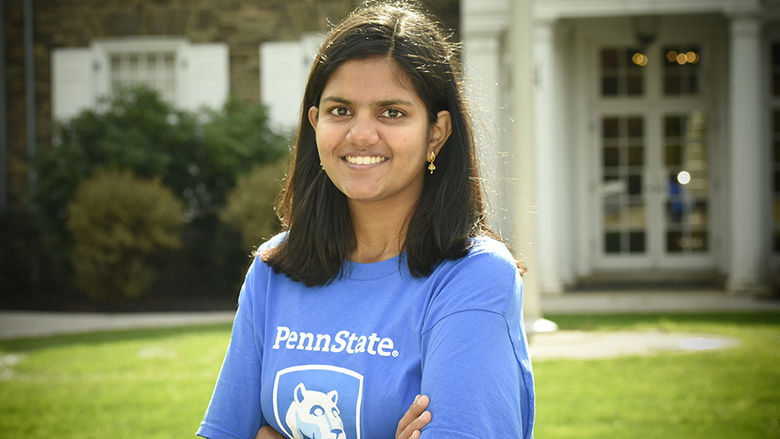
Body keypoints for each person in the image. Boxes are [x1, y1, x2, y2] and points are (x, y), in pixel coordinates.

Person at [197, 1, 535, 438]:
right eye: (340, 110)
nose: (360, 134)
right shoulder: (273, 269)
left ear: (437, 131)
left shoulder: (474, 278)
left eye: (391, 112)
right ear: (315, 123)